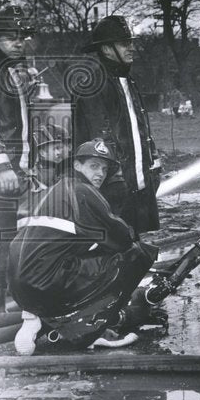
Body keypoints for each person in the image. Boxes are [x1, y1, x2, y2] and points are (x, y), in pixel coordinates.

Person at [8, 140, 159, 355]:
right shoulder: (83, 191)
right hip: (45, 284)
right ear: (77, 166)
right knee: (136, 255)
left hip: (19, 288)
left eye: (105, 169)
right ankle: (91, 331)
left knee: (78, 254)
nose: (101, 174)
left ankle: (37, 318)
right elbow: (123, 237)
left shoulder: (50, 192)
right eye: (94, 166)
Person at [73, 15, 162, 235]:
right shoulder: (94, 82)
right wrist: (116, 179)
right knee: (115, 245)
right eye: (124, 44)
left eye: (131, 42)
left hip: (137, 182)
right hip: (114, 186)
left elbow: (137, 127)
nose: (131, 48)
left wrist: (153, 160)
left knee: (135, 242)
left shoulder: (127, 80)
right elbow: (99, 140)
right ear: (106, 48)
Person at [0, 4, 36, 312]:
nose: (19, 42)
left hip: (18, 169)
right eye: (10, 37)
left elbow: (22, 124)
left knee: (15, 237)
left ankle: (11, 306)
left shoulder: (12, 71)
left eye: (22, 36)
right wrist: (1, 167)